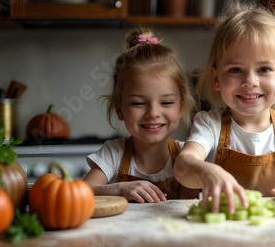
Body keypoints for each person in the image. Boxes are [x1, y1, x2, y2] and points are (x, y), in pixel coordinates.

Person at [173, 1, 275, 214]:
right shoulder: (209, 124)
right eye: (236, 70)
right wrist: (205, 172)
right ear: (216, 78)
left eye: (264, 69)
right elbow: (183, 166)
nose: (250, 81)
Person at [84, 27, 199, 203]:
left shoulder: (185, 156)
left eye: (166, 102)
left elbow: (188, 209)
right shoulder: (113, 154)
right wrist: (119, 189)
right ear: (120, 110)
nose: (153, 113)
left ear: (181, 107)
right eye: (139, 103)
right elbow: (79, 193)